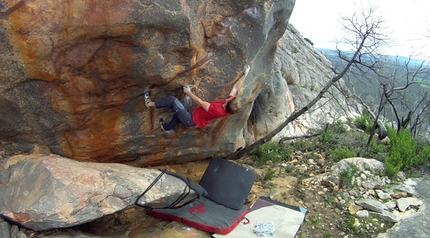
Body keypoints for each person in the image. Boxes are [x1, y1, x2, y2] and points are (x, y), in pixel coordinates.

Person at [145, 65, 251, 131]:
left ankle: (149, 104)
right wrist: (245, 75)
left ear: (226, 105)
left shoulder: (217, 110)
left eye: (229, 99)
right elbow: (235, 88)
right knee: (177, 117)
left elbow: (199, 102)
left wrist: (188, 92)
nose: (229, 97)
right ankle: (166, 127)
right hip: (193, 115)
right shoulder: (228, 106)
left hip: (190, 118)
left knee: (173, 101)